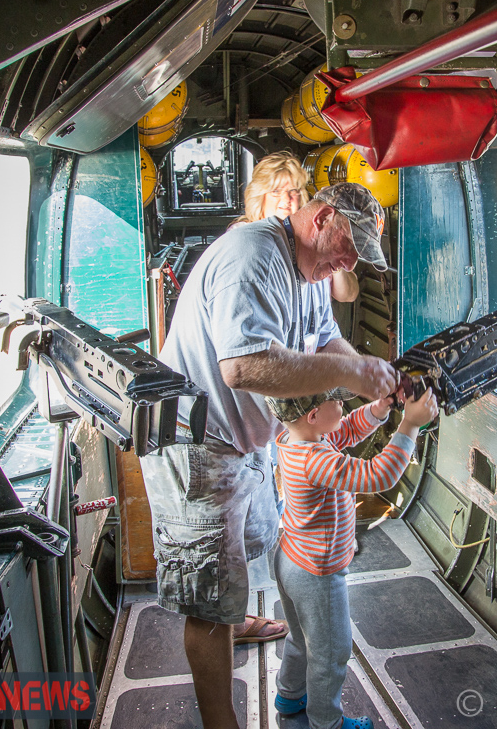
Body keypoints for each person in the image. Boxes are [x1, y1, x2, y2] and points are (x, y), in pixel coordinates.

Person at [140, 182, 398, 729]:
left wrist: (372, 380)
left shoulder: (313, 274)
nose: (349, 265)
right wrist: (354, 373)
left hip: (244, 441)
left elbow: (326, 340)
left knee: (238, 566)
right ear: (322, 219)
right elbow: (243, 367)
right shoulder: (252, 257)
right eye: (348, 248)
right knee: (208, 602)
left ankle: (234, 621)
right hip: (197, 444)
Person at [266, 386, 438, 729]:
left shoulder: (295, 439)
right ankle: (326, 722)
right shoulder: (315, 459)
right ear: (313, 415)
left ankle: (289, 694)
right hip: (317, 573)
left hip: (290, 559)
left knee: (300, 638)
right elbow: (377, 475)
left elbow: (344, 429)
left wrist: (379, 408)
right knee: (331, 653)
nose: (343, 405)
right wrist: (410, 425)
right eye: (336, 401)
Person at [233, 151, 360, 303]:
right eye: (276, 191)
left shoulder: (311, 238)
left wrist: (334, 259)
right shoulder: (244, 237)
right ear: (260, 196)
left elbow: (348, 295)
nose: (286, 198)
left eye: (293, 191)